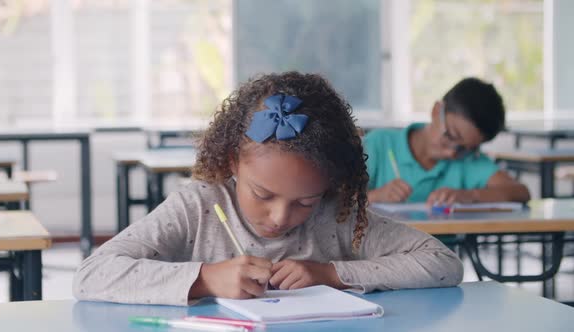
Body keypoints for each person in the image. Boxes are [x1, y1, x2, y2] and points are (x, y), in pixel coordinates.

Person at [73, 72, 463, 306]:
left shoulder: (337, 216)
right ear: (231, 162)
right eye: (262, 194)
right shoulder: (198, 209)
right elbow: (90, 276)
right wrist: (205, 278)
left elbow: (443, 265)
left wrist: (331, 273)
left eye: (305, 201)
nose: (280, 217)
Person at [364, 77, 530, 205]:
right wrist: (376, 196)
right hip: (385, 248)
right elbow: (339, 205)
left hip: (444, 249)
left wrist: (468, 195)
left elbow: (520, 192)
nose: (452, 152)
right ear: (437, 111)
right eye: (451, 135)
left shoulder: (468, 160)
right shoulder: (378, 144)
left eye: (464, 149)